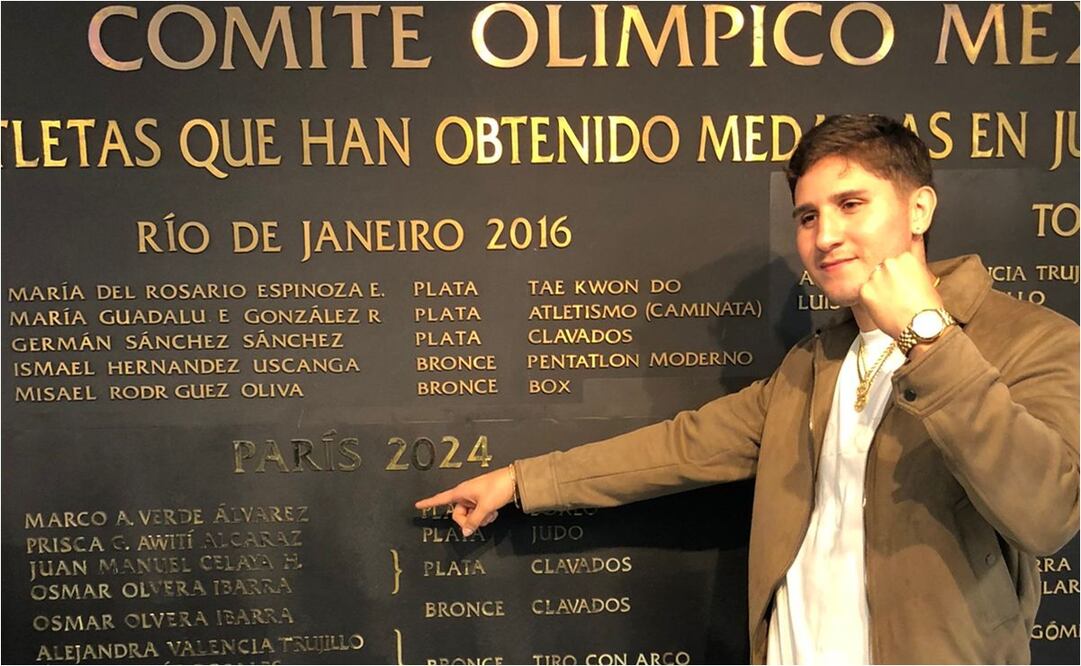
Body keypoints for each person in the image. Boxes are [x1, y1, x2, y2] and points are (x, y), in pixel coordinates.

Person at [415, 114, 1080, 664]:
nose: (825, 236)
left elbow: (1046, 515)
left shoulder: (1030, 339)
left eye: (850, 204)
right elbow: (684, 446)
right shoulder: (813, 362)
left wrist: (928, 338)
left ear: (918, 207)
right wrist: (521, 481)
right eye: (807, 216)